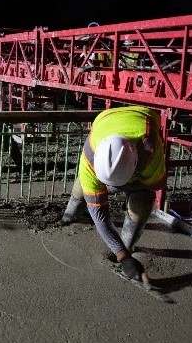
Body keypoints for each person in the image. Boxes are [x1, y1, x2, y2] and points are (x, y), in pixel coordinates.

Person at [58, 105, 167, 282]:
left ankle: (128, 245)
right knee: (84, 185)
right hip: (105, 119)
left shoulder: (150, 150)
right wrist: (122, 256)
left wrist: (124, 254)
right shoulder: (90, 157)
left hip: (145, 118)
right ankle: (69, 216)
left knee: (143, 200)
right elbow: (99, 216)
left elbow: (156, 185)